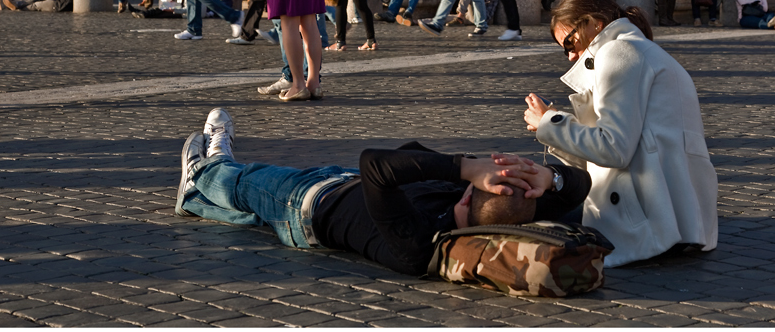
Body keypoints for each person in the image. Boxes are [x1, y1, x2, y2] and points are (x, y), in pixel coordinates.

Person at [175, 108, 591, 277]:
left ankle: (206, 166)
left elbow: (375, 163)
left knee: (245, 182)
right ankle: (194, 200)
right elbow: (580, 186)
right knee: (250, 217)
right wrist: (548, 178)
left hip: (306, 205)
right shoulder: (495, 215)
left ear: (468, 195)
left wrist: (465, 166)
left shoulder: (419, 245)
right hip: (342, 185)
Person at [521, 0, 718, 267]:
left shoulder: (618, 51)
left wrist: (550, 123)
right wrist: (553, 125)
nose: (569, 56)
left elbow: (613, 148)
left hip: (646, 217)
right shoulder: (637, 48)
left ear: (594, 23)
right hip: (675, 214)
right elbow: (609, 153)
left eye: (568, 43)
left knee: (522, 208)